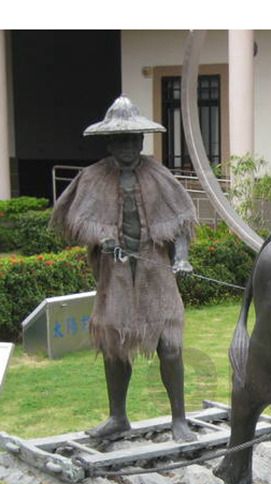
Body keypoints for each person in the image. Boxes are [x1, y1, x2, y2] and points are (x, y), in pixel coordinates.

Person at [50, 95, 198, 441]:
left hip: (155, 271)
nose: (127, 147)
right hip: (114, 275)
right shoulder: (92, 178)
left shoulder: (159, 175)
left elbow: (180, 222)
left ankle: (180, 419)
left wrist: (181, 257)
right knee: (114, 342)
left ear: (141, 141)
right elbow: (76, 221)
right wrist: (103, 239)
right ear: (109, 142)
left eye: (133, 140)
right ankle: (118, 416)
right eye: (120, 140)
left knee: (170, 344)